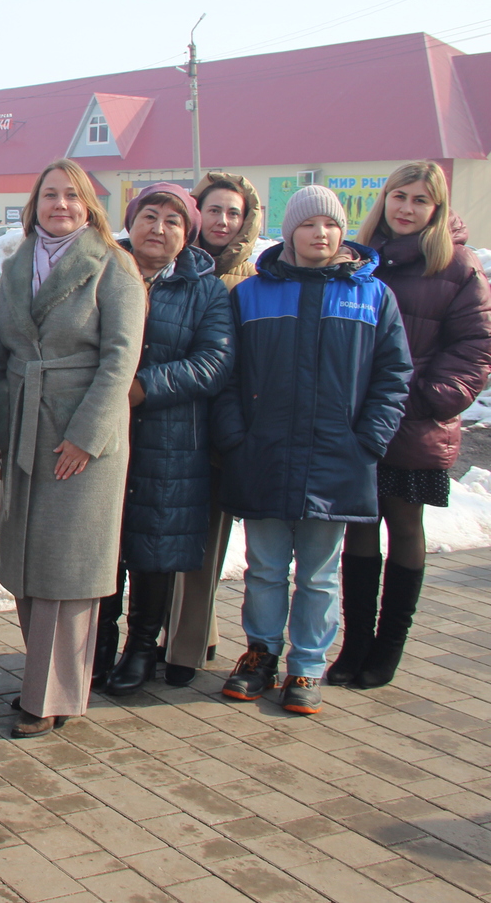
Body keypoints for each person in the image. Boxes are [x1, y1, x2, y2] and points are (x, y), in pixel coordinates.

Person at [213, 186, 411, 714]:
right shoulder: (252, 295)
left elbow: (394, 377)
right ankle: (260, 654)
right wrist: (237, 435)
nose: (320, 234)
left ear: (342, 232)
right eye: (308, 225)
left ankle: (306, 666)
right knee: (265, 568)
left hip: (337, 459)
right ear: (291, 232)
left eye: (330, 224)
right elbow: (227, 375)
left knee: (321, 573)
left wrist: (368, 439)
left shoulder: (373, 297)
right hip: (265, 455)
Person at [0, 159, 145, 738]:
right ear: (35, 201)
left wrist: (87, 437)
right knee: (26, 560)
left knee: (68, 567)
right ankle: (44, 682)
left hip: (83, 437)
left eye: (72, 196)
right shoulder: (18, 263)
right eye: (50, 194)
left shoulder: (113, 265)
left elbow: (121, 360)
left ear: (89, 204)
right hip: (25, 423)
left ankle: (51, 696)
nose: (61, 205)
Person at [332, 163, 491, 688]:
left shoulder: (459, 268)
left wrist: (425, 398)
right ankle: (353, 647)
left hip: (415, 420)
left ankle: (387, 649)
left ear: (437, 211)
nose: (406, 208)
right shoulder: (358, 262)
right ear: (384, 200)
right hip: (357, 422)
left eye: (420, 201)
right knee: (358, 530)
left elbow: (475, 347)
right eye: (399, 196)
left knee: (403, 529)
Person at [99, 184, 233, 697]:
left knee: (154, 544)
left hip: (172, 437)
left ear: (188, 233)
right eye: (149, 216)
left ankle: (140, 649)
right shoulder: (105, 270)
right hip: (104, 431)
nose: (159, 228)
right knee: (104, 542)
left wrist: (142, 388)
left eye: (173, 221)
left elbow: (214, 363)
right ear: (131, 222)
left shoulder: (206, 288)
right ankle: (99, 644)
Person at [165, 172, 263, 685]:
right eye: (215, 210)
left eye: (234, 212)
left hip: (220, 430)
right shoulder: (171, 263)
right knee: (165, 541)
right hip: (168, 426)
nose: (223, 221)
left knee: (205, 546)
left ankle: (184, 649)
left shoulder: (251, 280)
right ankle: (190, 636)